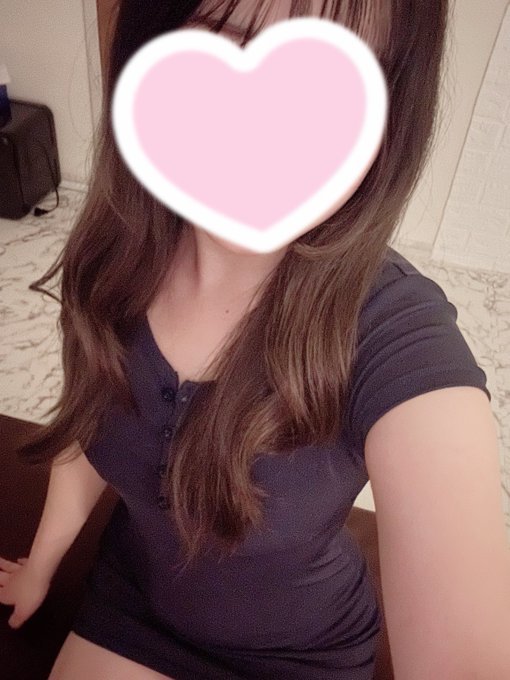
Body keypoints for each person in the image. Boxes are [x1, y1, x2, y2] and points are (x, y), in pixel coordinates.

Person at [2, 1, 509, 679]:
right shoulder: (111, 264)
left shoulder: (395, 330)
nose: (265, 136)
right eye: (222, 49)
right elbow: (91, 427)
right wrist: (41, 564)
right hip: (134, 610)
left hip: (301, 655)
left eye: (328, 87)